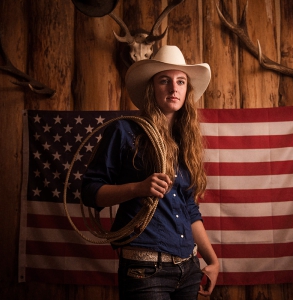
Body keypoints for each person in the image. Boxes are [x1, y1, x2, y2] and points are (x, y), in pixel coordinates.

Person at [81, 45, 219, 299]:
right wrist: (138, 188)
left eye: (180, 81)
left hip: (188, 266)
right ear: (151, 88)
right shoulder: (124, 132)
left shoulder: (183, 142)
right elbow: (89, 192)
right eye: (164, 81)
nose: (173, 88)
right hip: (145, 267)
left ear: (186, 90)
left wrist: (213, 260)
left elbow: (188, 208)